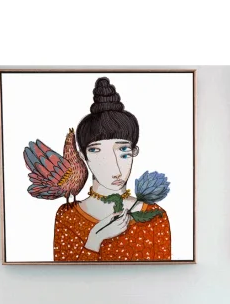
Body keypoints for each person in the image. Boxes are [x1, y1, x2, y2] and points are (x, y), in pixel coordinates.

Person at [53, 77, 171, 261]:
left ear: (134, 152)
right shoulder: (67, 216)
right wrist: (95, 239)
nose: (115, 169)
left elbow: (165, 274)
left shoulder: (155, 216)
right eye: (98, 152)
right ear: (83, 156)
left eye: (123, 152)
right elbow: (63, 275)